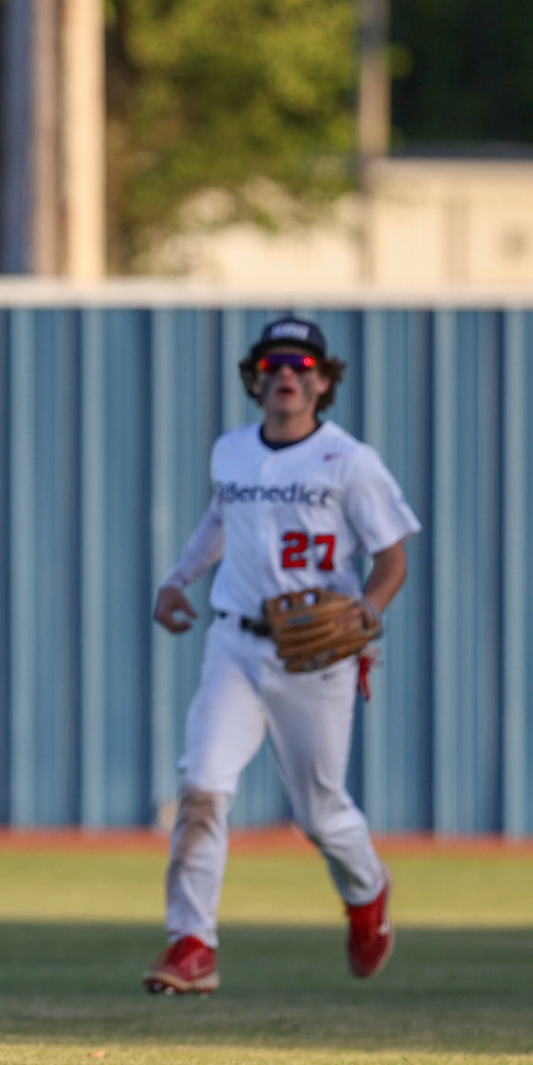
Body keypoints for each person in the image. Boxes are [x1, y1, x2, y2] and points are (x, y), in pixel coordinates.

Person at [144, 316, 419, 996]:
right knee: (202, 787)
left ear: (323, 382)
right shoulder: (233, 451)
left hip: (316, 655)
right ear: (256, 380)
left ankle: (368, 892)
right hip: (234, 642)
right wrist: (180, 578)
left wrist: (369, 609)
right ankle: (191, 944)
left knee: (320, 813)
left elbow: (392, 556)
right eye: (273, 366)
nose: (287, 374)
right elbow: (222, 520)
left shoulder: (350, 460)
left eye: (301, 365)